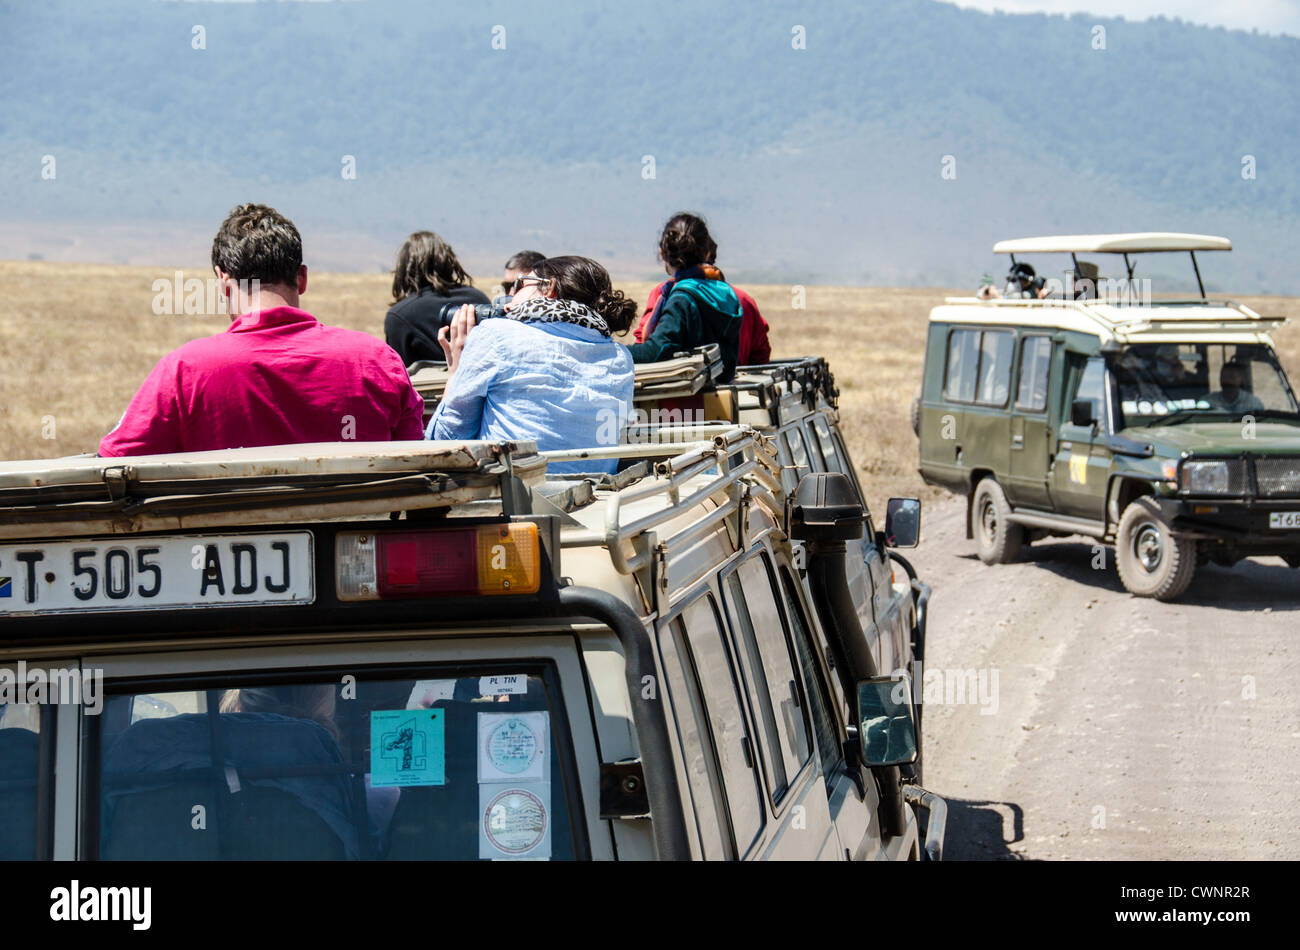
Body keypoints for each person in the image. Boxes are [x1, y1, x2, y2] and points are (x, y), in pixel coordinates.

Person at [99, 204, 425, 457]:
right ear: (301, 278)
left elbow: (116, 463)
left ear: (223, 280)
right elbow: (415, 462)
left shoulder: (184, 371)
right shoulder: (377, 360)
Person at [427, 256, 636, 475]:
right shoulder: (621, 357)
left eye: (520, 285)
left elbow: (445, 442)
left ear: (549, 288)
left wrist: (456, 372)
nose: (509, 295)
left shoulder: (495, 335)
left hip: (516, 500)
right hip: (595, 497)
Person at [627, 213, 754, 379]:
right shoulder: (726, 292)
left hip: (689, 399)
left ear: (663, 254)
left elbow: (656, 351)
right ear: (707, 253)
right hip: (722, 390)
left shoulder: (682, 298)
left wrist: (614, 351)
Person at [384, 231, 491, 366]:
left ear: (405, 268)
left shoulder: (399, 315)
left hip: (427, 386)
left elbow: (400, 373)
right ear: (448, 261)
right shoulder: (478, 299)